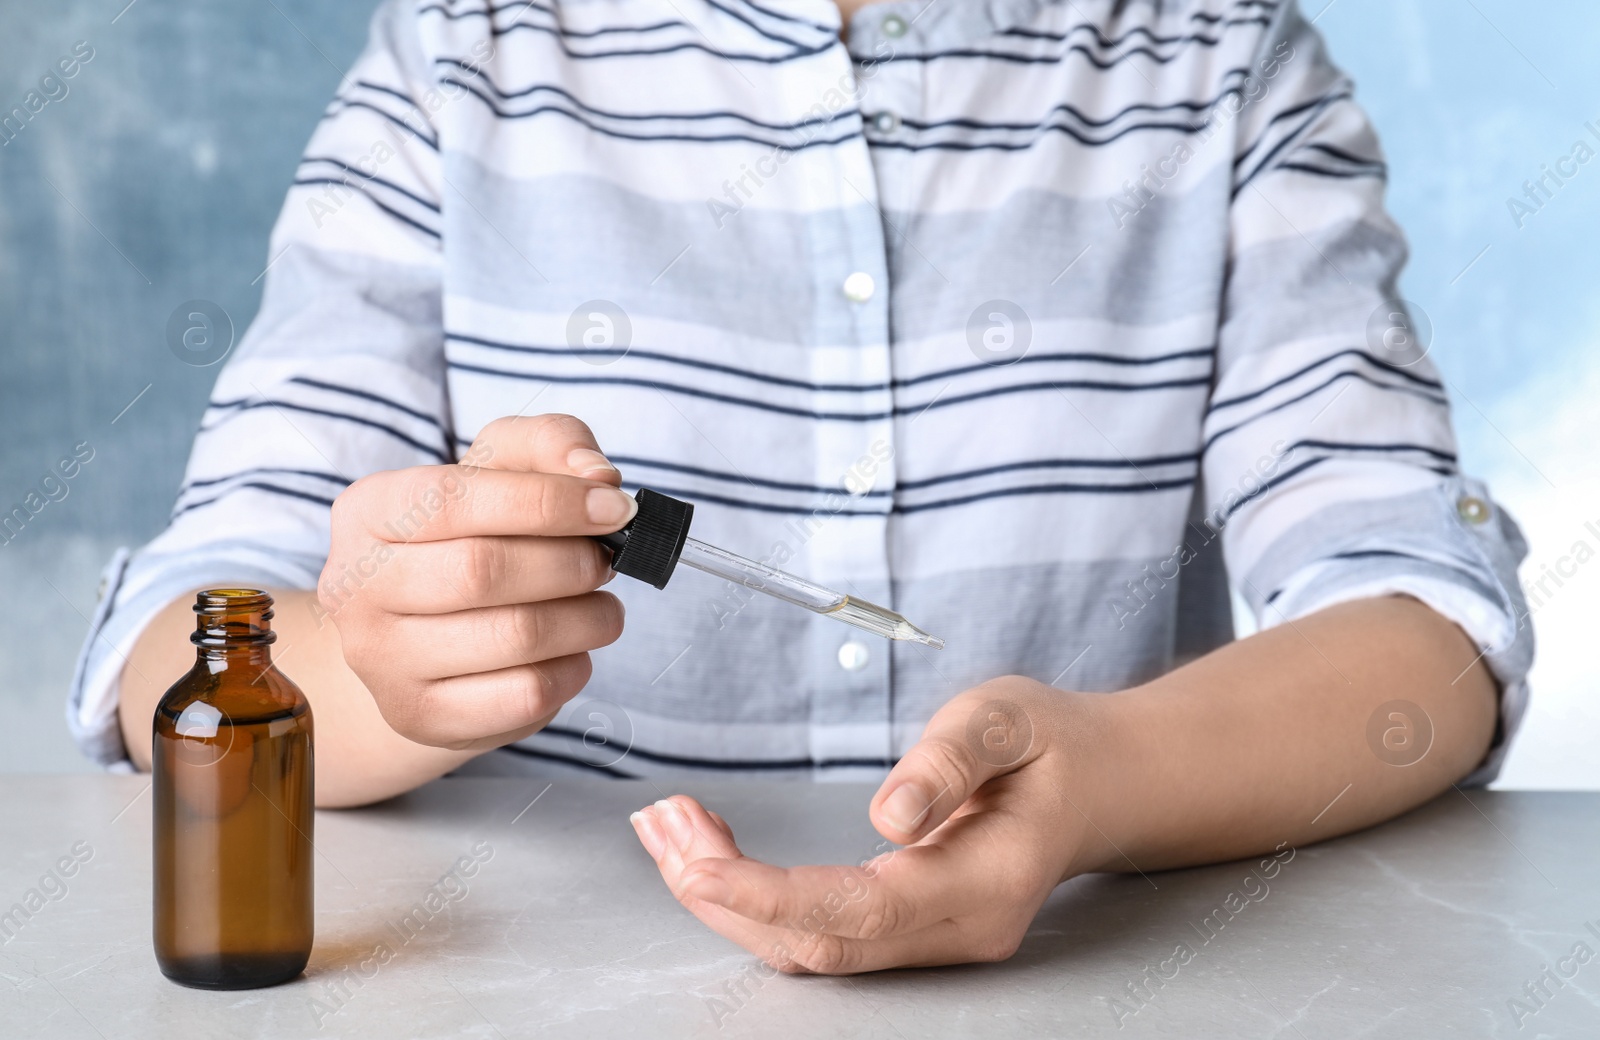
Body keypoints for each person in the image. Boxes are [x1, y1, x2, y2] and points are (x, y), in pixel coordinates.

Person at [70, 0, 1533, 974]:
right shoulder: (469, 53)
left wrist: (1100, 785)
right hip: (529, 999)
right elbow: (178, 652)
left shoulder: (1218, 59)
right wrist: (378, 672)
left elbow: (1424, 627)